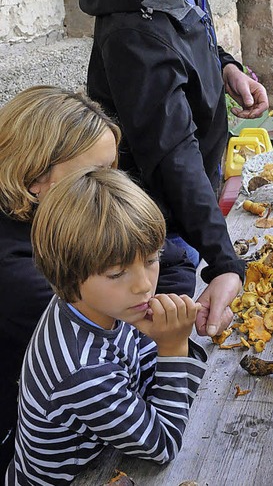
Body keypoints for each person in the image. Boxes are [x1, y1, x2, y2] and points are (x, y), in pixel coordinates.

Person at [80, 0, 268, 340]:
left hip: (189, 200)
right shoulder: (131, 33)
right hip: (159, 222)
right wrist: (224, 263)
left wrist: (225, 65)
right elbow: (171, 152)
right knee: (177, 341)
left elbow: (192, 29)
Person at [0, 86, 196, 475]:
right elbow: (161, 444)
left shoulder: (98, 292)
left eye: (113, 169)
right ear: (35, 178)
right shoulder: (36, 279)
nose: (143, 286)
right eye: (94, 173)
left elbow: (175, 263)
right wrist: (173, 345)